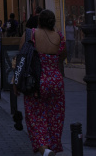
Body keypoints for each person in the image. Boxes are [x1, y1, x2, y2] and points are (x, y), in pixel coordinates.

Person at [17, 9, 66, 156]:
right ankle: (52, 147)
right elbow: (62, 58)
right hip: (56, 81)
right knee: (55, 117)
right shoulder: (59, 37)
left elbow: (20, 60)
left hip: (36, 82)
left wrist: (15, 82)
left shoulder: (30, 34)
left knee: (35, 116)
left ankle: (44, 149)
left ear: (39, 21)